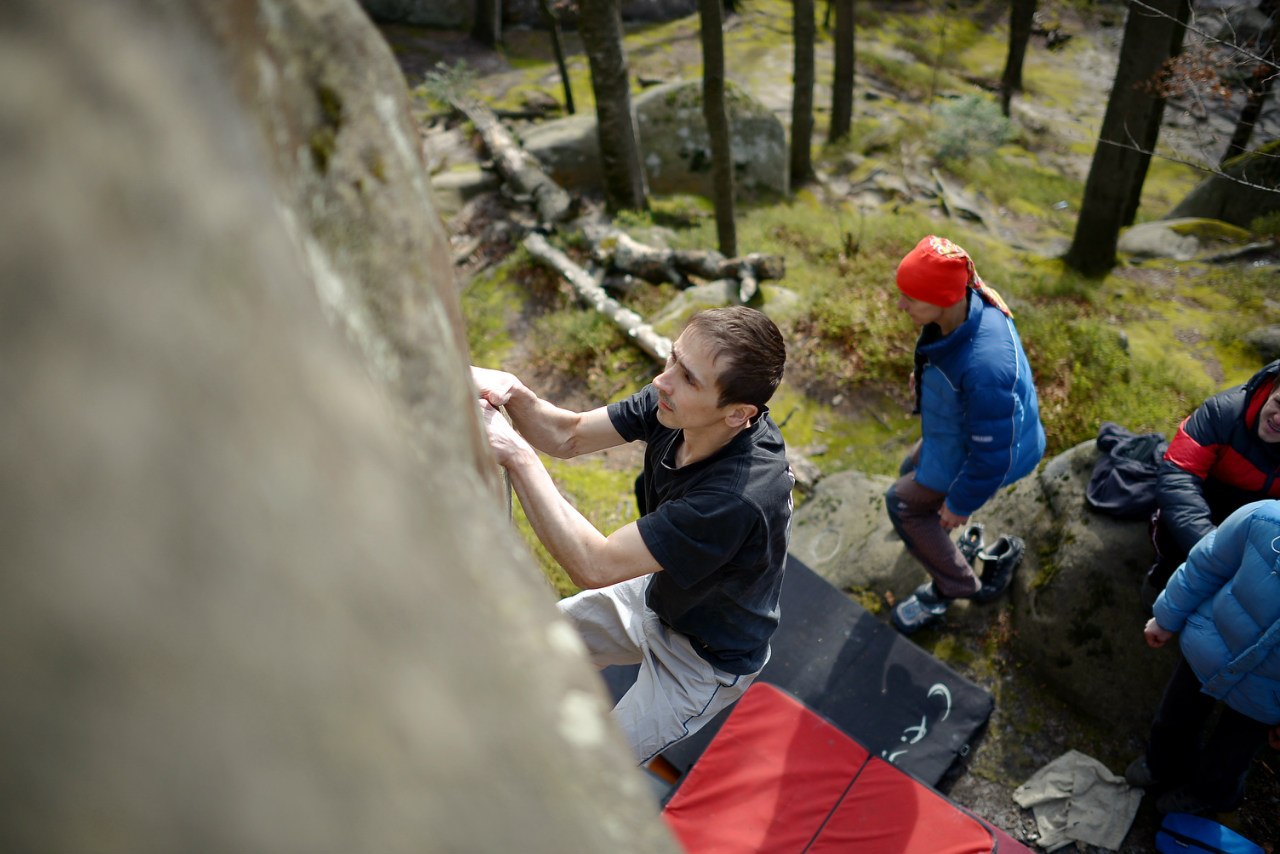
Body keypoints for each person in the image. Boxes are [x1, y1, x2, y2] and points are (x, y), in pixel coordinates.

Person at [471, 306, 794, 764]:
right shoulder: (675, 406)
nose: (664, 381)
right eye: (672, 359)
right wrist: (514, 392)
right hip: (656, 594)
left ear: (738, 414)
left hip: (702, 661)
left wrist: (518, 457)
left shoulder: (735, 498)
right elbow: (569, 435)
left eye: (689, 378)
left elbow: (595, 565)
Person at [886, 236, 1046, 635]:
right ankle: (935, 536)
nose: (901, 305)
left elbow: (993, 455)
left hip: (992, 453)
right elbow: (948, 364)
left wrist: (959, 503)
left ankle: (955, 585)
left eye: (910, 298)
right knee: (910, 466)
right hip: (959, 434)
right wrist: (925, 383)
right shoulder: (965, 305)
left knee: (901, 504)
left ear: (941, 298)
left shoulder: (986, 365)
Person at [1125, 499, 1280, 816]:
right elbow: (1207, 565)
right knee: (1174, 717)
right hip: (1209, 648)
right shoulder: (1264, 519)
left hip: (1268, 696)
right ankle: (1161, 763)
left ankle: (1209, 794)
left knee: (1231, 755)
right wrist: (1166, 617)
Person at [1143, 360, 1280, 608]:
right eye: (1279, 403)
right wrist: (1212, 548)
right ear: (1271, 389)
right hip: (1204, 500)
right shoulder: (1222, 412)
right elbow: (1177, 476)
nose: (1278, 419)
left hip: (1256, 518)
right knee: (1170, 532)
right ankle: (1159, 582)